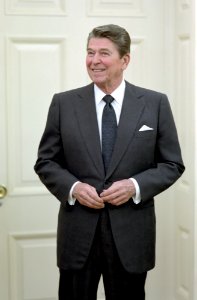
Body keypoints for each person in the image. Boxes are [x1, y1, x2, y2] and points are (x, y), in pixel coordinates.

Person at [34, 24, 185, 300]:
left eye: (104, 53)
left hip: (131, 236)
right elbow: (46, 161)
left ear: (125, 60)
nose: (94, 61)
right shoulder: (63, 104)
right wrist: (74, 188)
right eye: (90, 52)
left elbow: (172, 164)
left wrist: (135, 185)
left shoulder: (155, 103)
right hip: (78, 236)